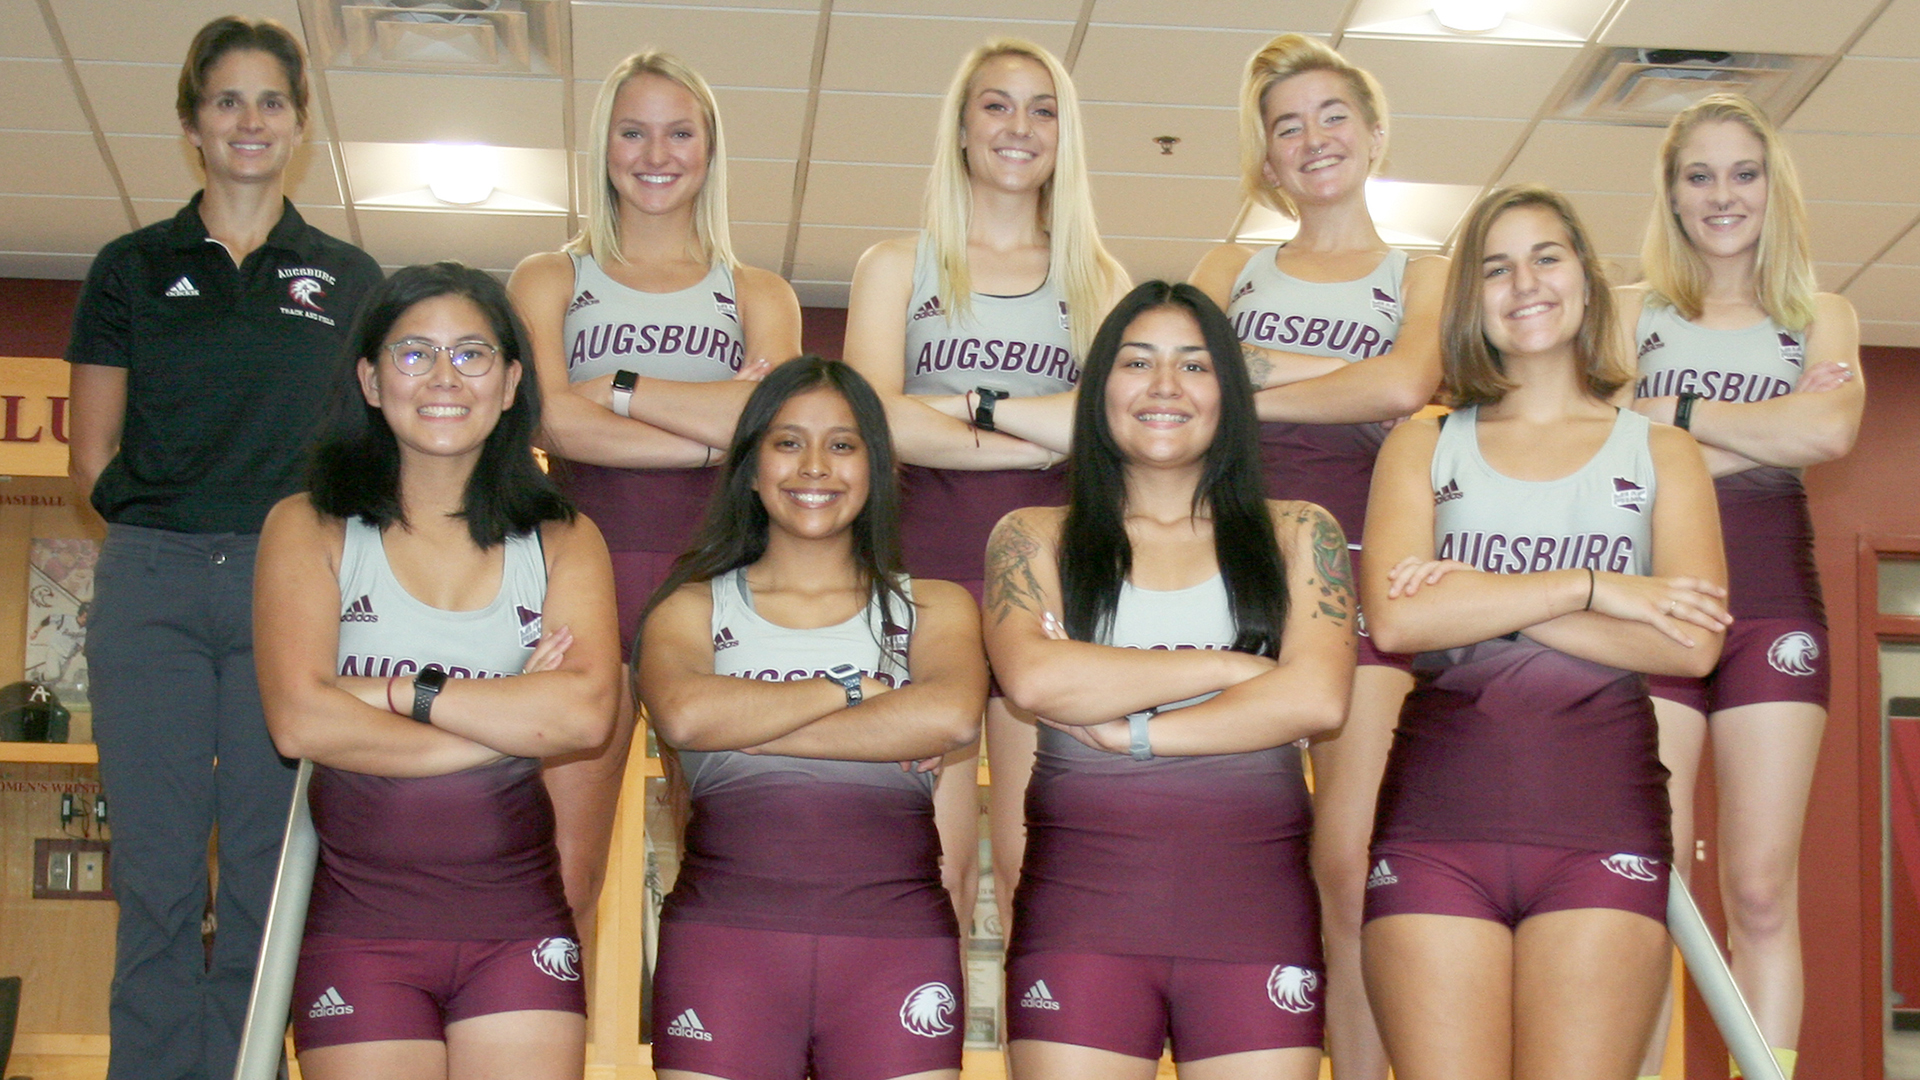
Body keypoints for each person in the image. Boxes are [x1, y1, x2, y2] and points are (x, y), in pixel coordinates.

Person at [64, 17, 382, 1078]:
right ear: (192, 124)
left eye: (271, 101)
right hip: (151, 586)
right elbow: (92, 459)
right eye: (227, 101)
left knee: (264, 873)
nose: (250, 121)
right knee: (155, 877)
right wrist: (180, 519)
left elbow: (370, 450)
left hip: (286, 590)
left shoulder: (347, 277)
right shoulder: (131, 268)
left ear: (299, 123)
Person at [1359, 185, 1730, 1080]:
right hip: (1438, 823)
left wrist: (1482, 594)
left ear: (1587, 281)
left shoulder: (1663, 451)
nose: (1524, 282)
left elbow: (1691, 644)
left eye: (1546, 257)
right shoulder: (1421, 445)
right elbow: (1401, 618)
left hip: (1600, 819)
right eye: (1496, 267)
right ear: (1471, 300)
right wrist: (1595, 588)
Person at [255, 262, 621, 1079]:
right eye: (414, 353)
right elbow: (301, 721)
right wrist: (503, 724)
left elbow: (582, 715)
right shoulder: (309, 525)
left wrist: (397, 694)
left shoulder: (564, 537)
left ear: (511, 382)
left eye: (472, 354)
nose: (444, 378)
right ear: (370, 380)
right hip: (361, 932)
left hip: (517, 930)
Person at [982, 281, 1354, 1079]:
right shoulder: (1033, 536)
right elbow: (1036, 679)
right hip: (1082, 919)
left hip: (1254, 918)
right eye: (1136, 362)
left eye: (1194, 365)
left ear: (1229, 394)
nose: (1164, 386)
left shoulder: (1300, 532)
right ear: (1098, 390)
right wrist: (1231, 668)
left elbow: (1316, 698)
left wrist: (1134, 733)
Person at [1186, 35, 1447, 1080]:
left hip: (1365, 579)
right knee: (1227, 863)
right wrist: (1341, 377)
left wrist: (1254, 375)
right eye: (1287, 125)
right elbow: (1185, 388)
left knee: (1348, 867)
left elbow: (1405, 386)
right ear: (1266, 157)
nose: (1314, 138)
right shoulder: (1226, 268)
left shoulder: (1425, 273)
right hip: (1227, 578)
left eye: (1334, 115)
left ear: (1375, 135)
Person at [507, 50, 802, 930]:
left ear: (709, 150)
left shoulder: (758, 294)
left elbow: (776, 431)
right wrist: (714, 436)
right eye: (633, 132)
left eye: (679, 133)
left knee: (738, 864)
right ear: (603, 147)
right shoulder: (550, 278)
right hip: (581, 588)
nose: (656, 153)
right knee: (562, 873)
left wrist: (621, 390)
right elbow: (551, 422)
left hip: (721, 586)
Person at [843, 38, 1130, 937]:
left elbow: (1107, 427)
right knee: (928, 861)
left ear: (1064, 135)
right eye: (997, 105)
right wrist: (1034, 434)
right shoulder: (896, 265)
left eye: (1043, 109)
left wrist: (962, 409)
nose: (1019, 126)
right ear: (962, 128)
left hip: (1047, 580)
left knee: (1032, 862)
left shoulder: (1098, 278)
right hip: (918, 571)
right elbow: (871, 420)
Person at [636, 357, 986, 1080]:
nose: (815, 466)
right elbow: (687, 715)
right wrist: (857, 692)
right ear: (751, 466)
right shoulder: (691, 606)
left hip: (896, 953)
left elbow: (950, 716)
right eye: (789, 442)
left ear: (877, 467)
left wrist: (749, 726)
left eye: (844, 444)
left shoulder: (935, 606)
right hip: (724, 952)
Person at [1623, 93, 1864, 1080]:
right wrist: (1764, 426)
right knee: (1652, 881)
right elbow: (1608, 448)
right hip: (1656, 605)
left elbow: (1829, 432)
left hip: (1772, 602)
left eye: (1743, 173)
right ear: (1673, 194)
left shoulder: (1822, 313)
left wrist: (1674, 415)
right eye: (1700, 175)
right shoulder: (1630, 314)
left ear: (1774, 188)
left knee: (1761, 887)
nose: (1723, 195)